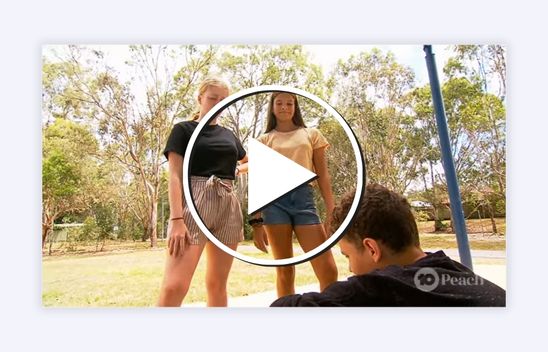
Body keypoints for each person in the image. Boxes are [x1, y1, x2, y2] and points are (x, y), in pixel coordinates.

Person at [271, 183, 506, 307]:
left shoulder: (382, 288)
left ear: (372, 249)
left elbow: (284, 309)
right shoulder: (458, 273)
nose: (351, 269)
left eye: (348, 256)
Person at [157, 77, 248, 307]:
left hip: (227, 205)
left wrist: (236, 169)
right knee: (174, 286)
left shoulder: (229, 135)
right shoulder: (183, 129)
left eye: (224, 100)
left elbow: (249, 161)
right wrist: (176, 219)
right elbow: (175, 176)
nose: (218, 103)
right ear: (200, 99)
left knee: (217, 284)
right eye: (212, 98)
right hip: (194, 202)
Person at [252, 92, 338, 297]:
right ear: (272, 107)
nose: (284, 107)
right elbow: (259, 182)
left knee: (328, 268)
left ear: (295, 107)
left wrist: (331, 208)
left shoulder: (311, 134)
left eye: (289, 103)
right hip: (274, 204)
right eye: (279, 103)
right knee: (285, 270)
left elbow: (323, 176)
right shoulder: (264, 140)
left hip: (304, 201)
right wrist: (256, 223)